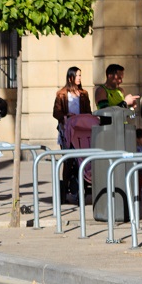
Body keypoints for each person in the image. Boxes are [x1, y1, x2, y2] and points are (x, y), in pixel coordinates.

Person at [53, 66, 92, 202]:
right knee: (68, 161)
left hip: (81, 131)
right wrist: (65, 116)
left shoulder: (84, 94)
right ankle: (64, 192)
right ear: (71, 77)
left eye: (80, 75)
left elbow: (88, 112)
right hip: (67, 131)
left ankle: (83, 187)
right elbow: (56, 112)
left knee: (83, 159)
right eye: (77, 75)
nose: (79, 78)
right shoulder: (61, 94)